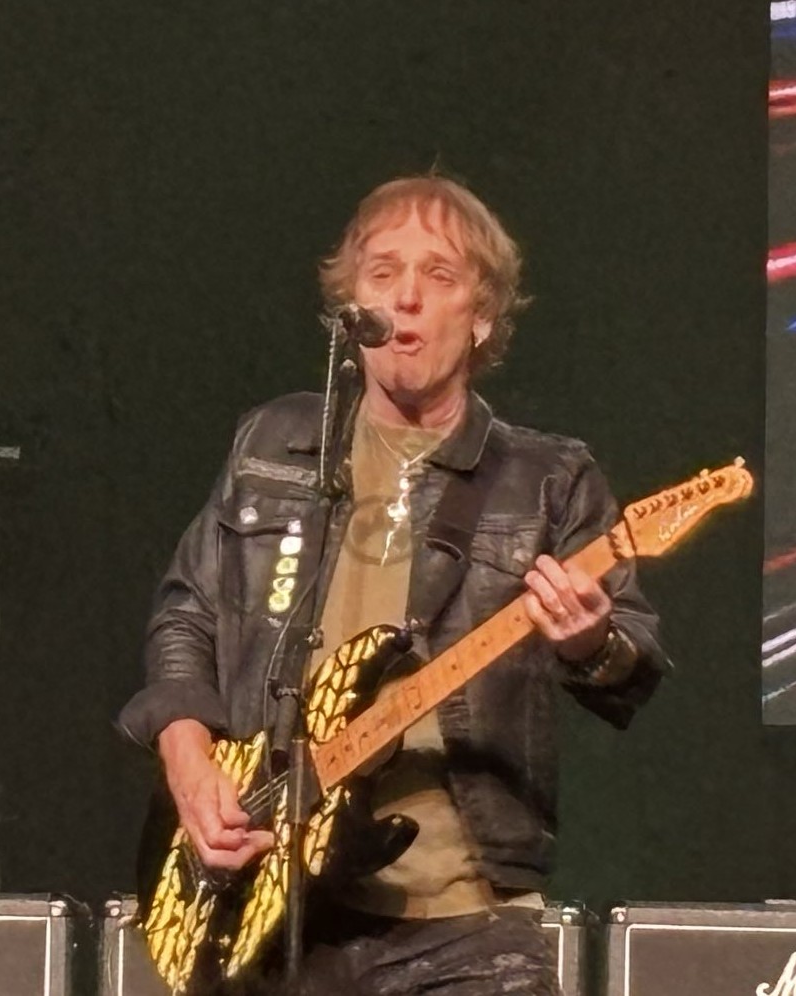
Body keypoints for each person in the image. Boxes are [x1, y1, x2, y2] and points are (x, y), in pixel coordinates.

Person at [119, 174, 668, 995]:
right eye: (382, 273)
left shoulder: (546, 478)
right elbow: (185, 615)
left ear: (481, 316)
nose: (405, 297)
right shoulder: (273, 441)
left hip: (462, 920)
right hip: (269, 899)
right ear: (351, 308)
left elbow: (632, 665)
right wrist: (189, 764)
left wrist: (589, 637)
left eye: (437, 275)